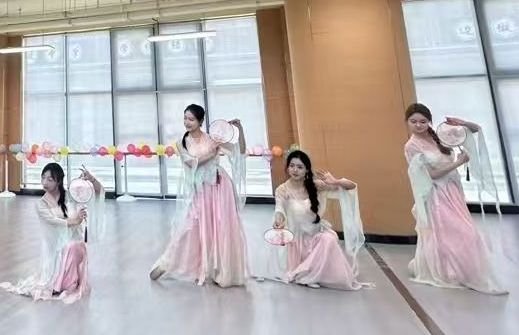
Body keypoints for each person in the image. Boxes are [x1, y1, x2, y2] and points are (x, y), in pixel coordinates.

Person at [404, 103, 506, 295]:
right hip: (435, 195)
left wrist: (462, 123)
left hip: (453, 192)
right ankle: (453, 272)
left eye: (423, 121)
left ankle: (459, 271)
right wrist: (459, 162)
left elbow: (476, 130)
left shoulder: (440, 136)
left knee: (459, 234)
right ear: (407, 122)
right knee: (460, 233)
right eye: (413, 121)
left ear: (429, 121)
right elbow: (431, 175)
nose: (418, 125)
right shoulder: (411, 146)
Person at [150, 104, 249, 287]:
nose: (187, 122)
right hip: (202, 189)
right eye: (185, 118)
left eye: (191, 119)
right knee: (191, 225)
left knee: (222, 227)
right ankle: (167, 263)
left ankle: (222, 271)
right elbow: (190, 163)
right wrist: (212, 154)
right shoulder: (182, 142)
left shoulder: (212, 138)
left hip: (221, 187)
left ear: (201, 121)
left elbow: (239, 151)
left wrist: (240, 130)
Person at [0, 163, 104, 303]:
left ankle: (69, 283)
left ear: (59, 181)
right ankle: (58, 284)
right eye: (43, 178)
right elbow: (54, 222)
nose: (45, 183)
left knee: (72, 246)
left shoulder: (71, 195)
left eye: (50, 179)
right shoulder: (41, 204)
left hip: (75, 242)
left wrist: (91, 179)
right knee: (67, 247)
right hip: (53, 246)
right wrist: (75, 220)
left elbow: (98, 192)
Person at [271, 150, 368, 290]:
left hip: (315, 234)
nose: (295, 170)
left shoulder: (316, 186)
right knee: (325, 240)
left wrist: (336, 181)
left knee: (329, 238)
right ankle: (305, 275)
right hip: (297, 239)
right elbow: (279, 208)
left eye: (300, 167)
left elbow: (352, 187)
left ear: (307, 170)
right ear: (287, 168)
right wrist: (278, 219)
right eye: (292, 166)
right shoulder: (282, 189)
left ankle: (309, 276)